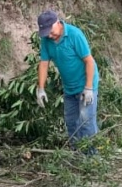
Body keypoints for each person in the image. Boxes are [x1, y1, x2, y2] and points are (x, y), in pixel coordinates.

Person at [34, 10, 100, 148]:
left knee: (86, 121)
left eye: (50, 31)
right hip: (69, 87)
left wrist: (88, 88)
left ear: (57, 22)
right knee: (71, 122)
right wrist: (40, 88)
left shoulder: (75, 35)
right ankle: (76, 154)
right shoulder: (46, 40)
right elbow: (44, 64)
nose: (49, 36)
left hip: (85, 83)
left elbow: (89, 61)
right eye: (46, 33)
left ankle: (92, 158)